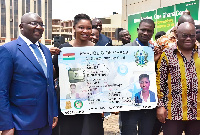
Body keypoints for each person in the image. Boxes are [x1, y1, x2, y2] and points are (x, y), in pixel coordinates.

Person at [0, 12, 58, 135]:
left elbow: (50, 85)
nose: (39, 27)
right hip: (21, 123)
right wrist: (6, 124)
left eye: (41, 24)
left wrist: (53, 112)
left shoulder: (46, 51)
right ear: (21, 26)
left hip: (46, 123)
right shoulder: (9, 50)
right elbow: (2, 90)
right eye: (34, 23)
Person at [51, 14, 103, 135]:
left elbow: (103, 76)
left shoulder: (98, 51)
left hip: (91, 103)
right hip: (69, 102)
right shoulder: (64, 49)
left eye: (89, 28)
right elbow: (54, 73)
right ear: (74, 28)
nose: (85, 31)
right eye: (81, 27)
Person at [157, 22, 200, 135]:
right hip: (173, 112)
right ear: (177, 35)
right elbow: (160, 82)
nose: (188, 38)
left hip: (198, 112)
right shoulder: (167, 54)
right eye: (184, 35)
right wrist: (160, 106)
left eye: (192, 35)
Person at [121, 19, 160, 135]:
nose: (145, 33)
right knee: (129, 131)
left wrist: (155, 60)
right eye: (143, 30)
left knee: (147, 132)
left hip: (149, 102)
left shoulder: (156, 51)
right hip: (130, 101)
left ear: (153, 32)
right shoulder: (125, 49)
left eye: (149, 31)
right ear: (138, 30)